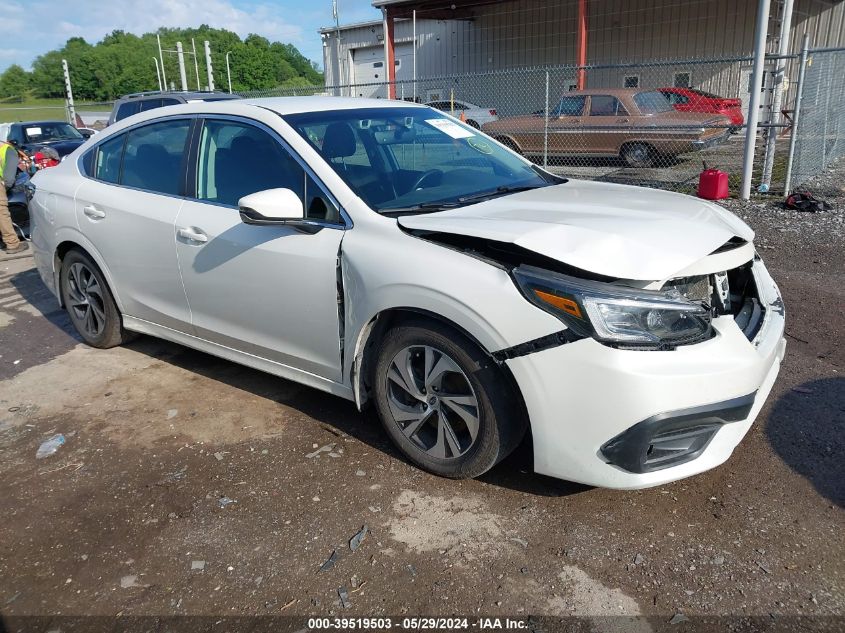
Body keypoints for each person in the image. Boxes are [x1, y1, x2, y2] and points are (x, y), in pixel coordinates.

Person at [0, 140, 27, 254]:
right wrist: (5, 188)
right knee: (2, 213)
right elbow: (9, 178)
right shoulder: (9, 150)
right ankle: (12, 244)